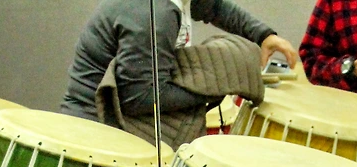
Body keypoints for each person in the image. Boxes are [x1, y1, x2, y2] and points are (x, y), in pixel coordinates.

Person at [62, 0, 299, 121]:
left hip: (121, 110)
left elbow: (214, 7)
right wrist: (218, 88)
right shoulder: (155, 14)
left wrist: (263, 35)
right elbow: (140, 98)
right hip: (96, 124)